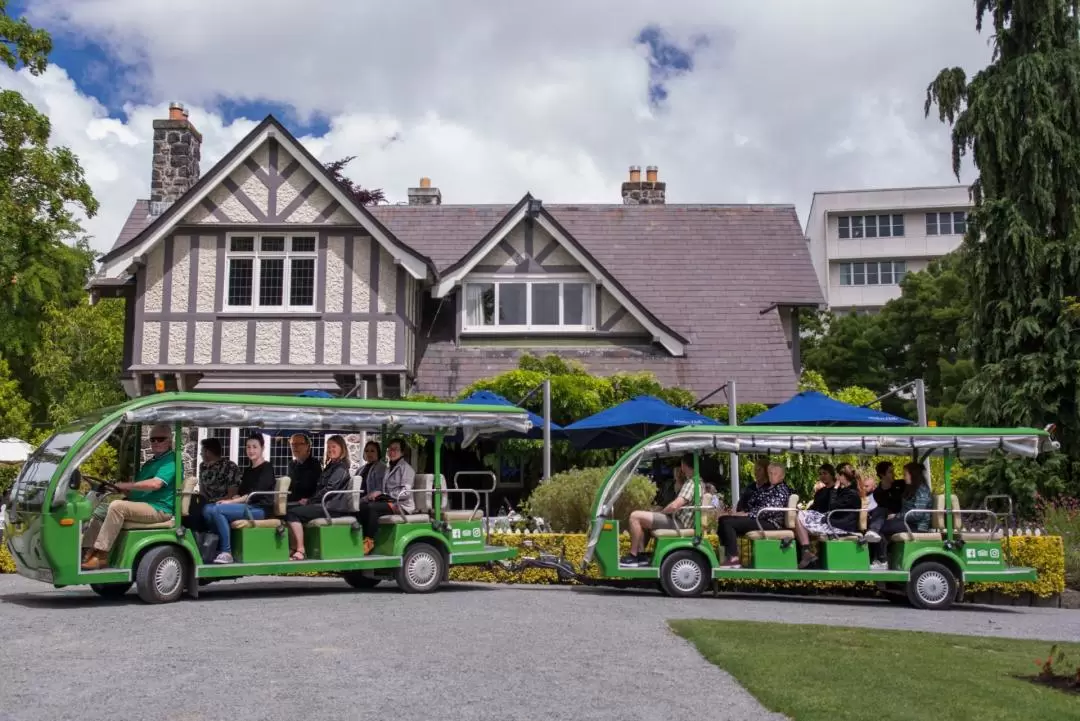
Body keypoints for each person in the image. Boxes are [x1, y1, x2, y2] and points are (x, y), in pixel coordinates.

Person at [81, 425, 177, 570]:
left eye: (160, 439)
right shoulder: (150, 463)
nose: (156, 442)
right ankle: (85, 551)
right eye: (153, 439)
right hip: (143, 505)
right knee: (101, 510)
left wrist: (128, 485)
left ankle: (101, 555)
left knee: (117, 506)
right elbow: (137, 491)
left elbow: (155, 484)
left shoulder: (171, 461)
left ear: (169, 441)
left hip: (159, 509)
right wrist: (120, 489)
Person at [202, 435, 276, 564]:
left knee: (218, 510)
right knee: (208, 509)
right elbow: (242, 492)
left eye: (254, 447)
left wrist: (231, 501)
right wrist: (234, 498)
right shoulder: (248, 470)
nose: (251, 450)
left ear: (262, 448)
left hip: (260, 509)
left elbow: (255, 494)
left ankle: (227, 551)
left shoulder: (267, 468)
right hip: (247, 507)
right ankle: (217, 546)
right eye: (248, 447)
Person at [283, 435, 354, 560]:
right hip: (324, 503)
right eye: (328, 447)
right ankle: (293, 547)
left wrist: (309, 500)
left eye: (334, 447)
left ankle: (300, 549)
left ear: (342, 448)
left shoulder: (341, 468)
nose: (330, 450)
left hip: (332, 507)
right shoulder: (331, 466)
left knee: (293, 513)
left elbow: (329, 490)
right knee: (289, 509)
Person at [620, 454, 698, 567]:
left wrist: (662, 513)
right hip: (679, 520)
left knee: (635, 516)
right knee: (644, 517)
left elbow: (675, 506)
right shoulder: (694, 482)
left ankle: (633, 556)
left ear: (684, 465)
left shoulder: (691, 483)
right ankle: (641, 555)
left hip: (680, 523)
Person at [715, 462, 793, 568]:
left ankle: (733, 559)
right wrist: (738, 513)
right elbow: (751, 505)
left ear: (782, 476)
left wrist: (746, 515)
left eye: (775, 473)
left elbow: (768, 511)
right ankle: (727, 556)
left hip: (771, 522)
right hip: (759, 518)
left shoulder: (782, 489)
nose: (772, 475)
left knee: (729, 523)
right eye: (770, 473)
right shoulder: (766, 488)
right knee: (723, 519)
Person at [793, 463, 862, 568]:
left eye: (825, 473)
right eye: (820, 474)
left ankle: (808, 554)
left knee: (799, 519)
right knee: (798, 517)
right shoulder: (828, 491)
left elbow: (832, 506)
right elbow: (819, 507)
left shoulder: (849, 492)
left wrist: (835, 488)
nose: (822, 476)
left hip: (839, 525)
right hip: (831, 520)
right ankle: (806, 554)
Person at [869, 462, 933, 568]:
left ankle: (882, 561)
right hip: (908, 522)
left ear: (913, 474)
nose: (903, 477)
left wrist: (897, 516)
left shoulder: (921, 490)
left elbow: (917, 515)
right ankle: (881, 559)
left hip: (917, 526)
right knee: (881, 523)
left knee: (882, 527)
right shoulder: (911, 488)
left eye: (905, 474)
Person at [185, 438, 241, 531]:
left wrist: (212, 501)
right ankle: (195, 535)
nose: (200, 454)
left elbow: (231, 494)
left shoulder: (230, 467)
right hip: (206, 501)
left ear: (208, 452)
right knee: (192, 504)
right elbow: (202, 491)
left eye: (202, 450)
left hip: (224, 503)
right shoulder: (203, 466)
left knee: (202, 510)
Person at [352, 441, 391, 554]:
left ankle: (368, 541)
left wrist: (364, 498)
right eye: (367, 451)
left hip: (372, 500)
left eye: (372, 451)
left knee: (365, 508)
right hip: (359, 499)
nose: (369, 453)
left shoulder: (381, 468)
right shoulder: (361, 468)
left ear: (378, 453)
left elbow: (380, 488)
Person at [286, 433, 321, 503]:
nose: (295, 447)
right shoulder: (291, 464)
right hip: (290, 502)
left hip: (306, 504)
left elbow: (310, 488)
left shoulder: (314, 464)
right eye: (293, 444)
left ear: (308, 446)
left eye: (300, 444)